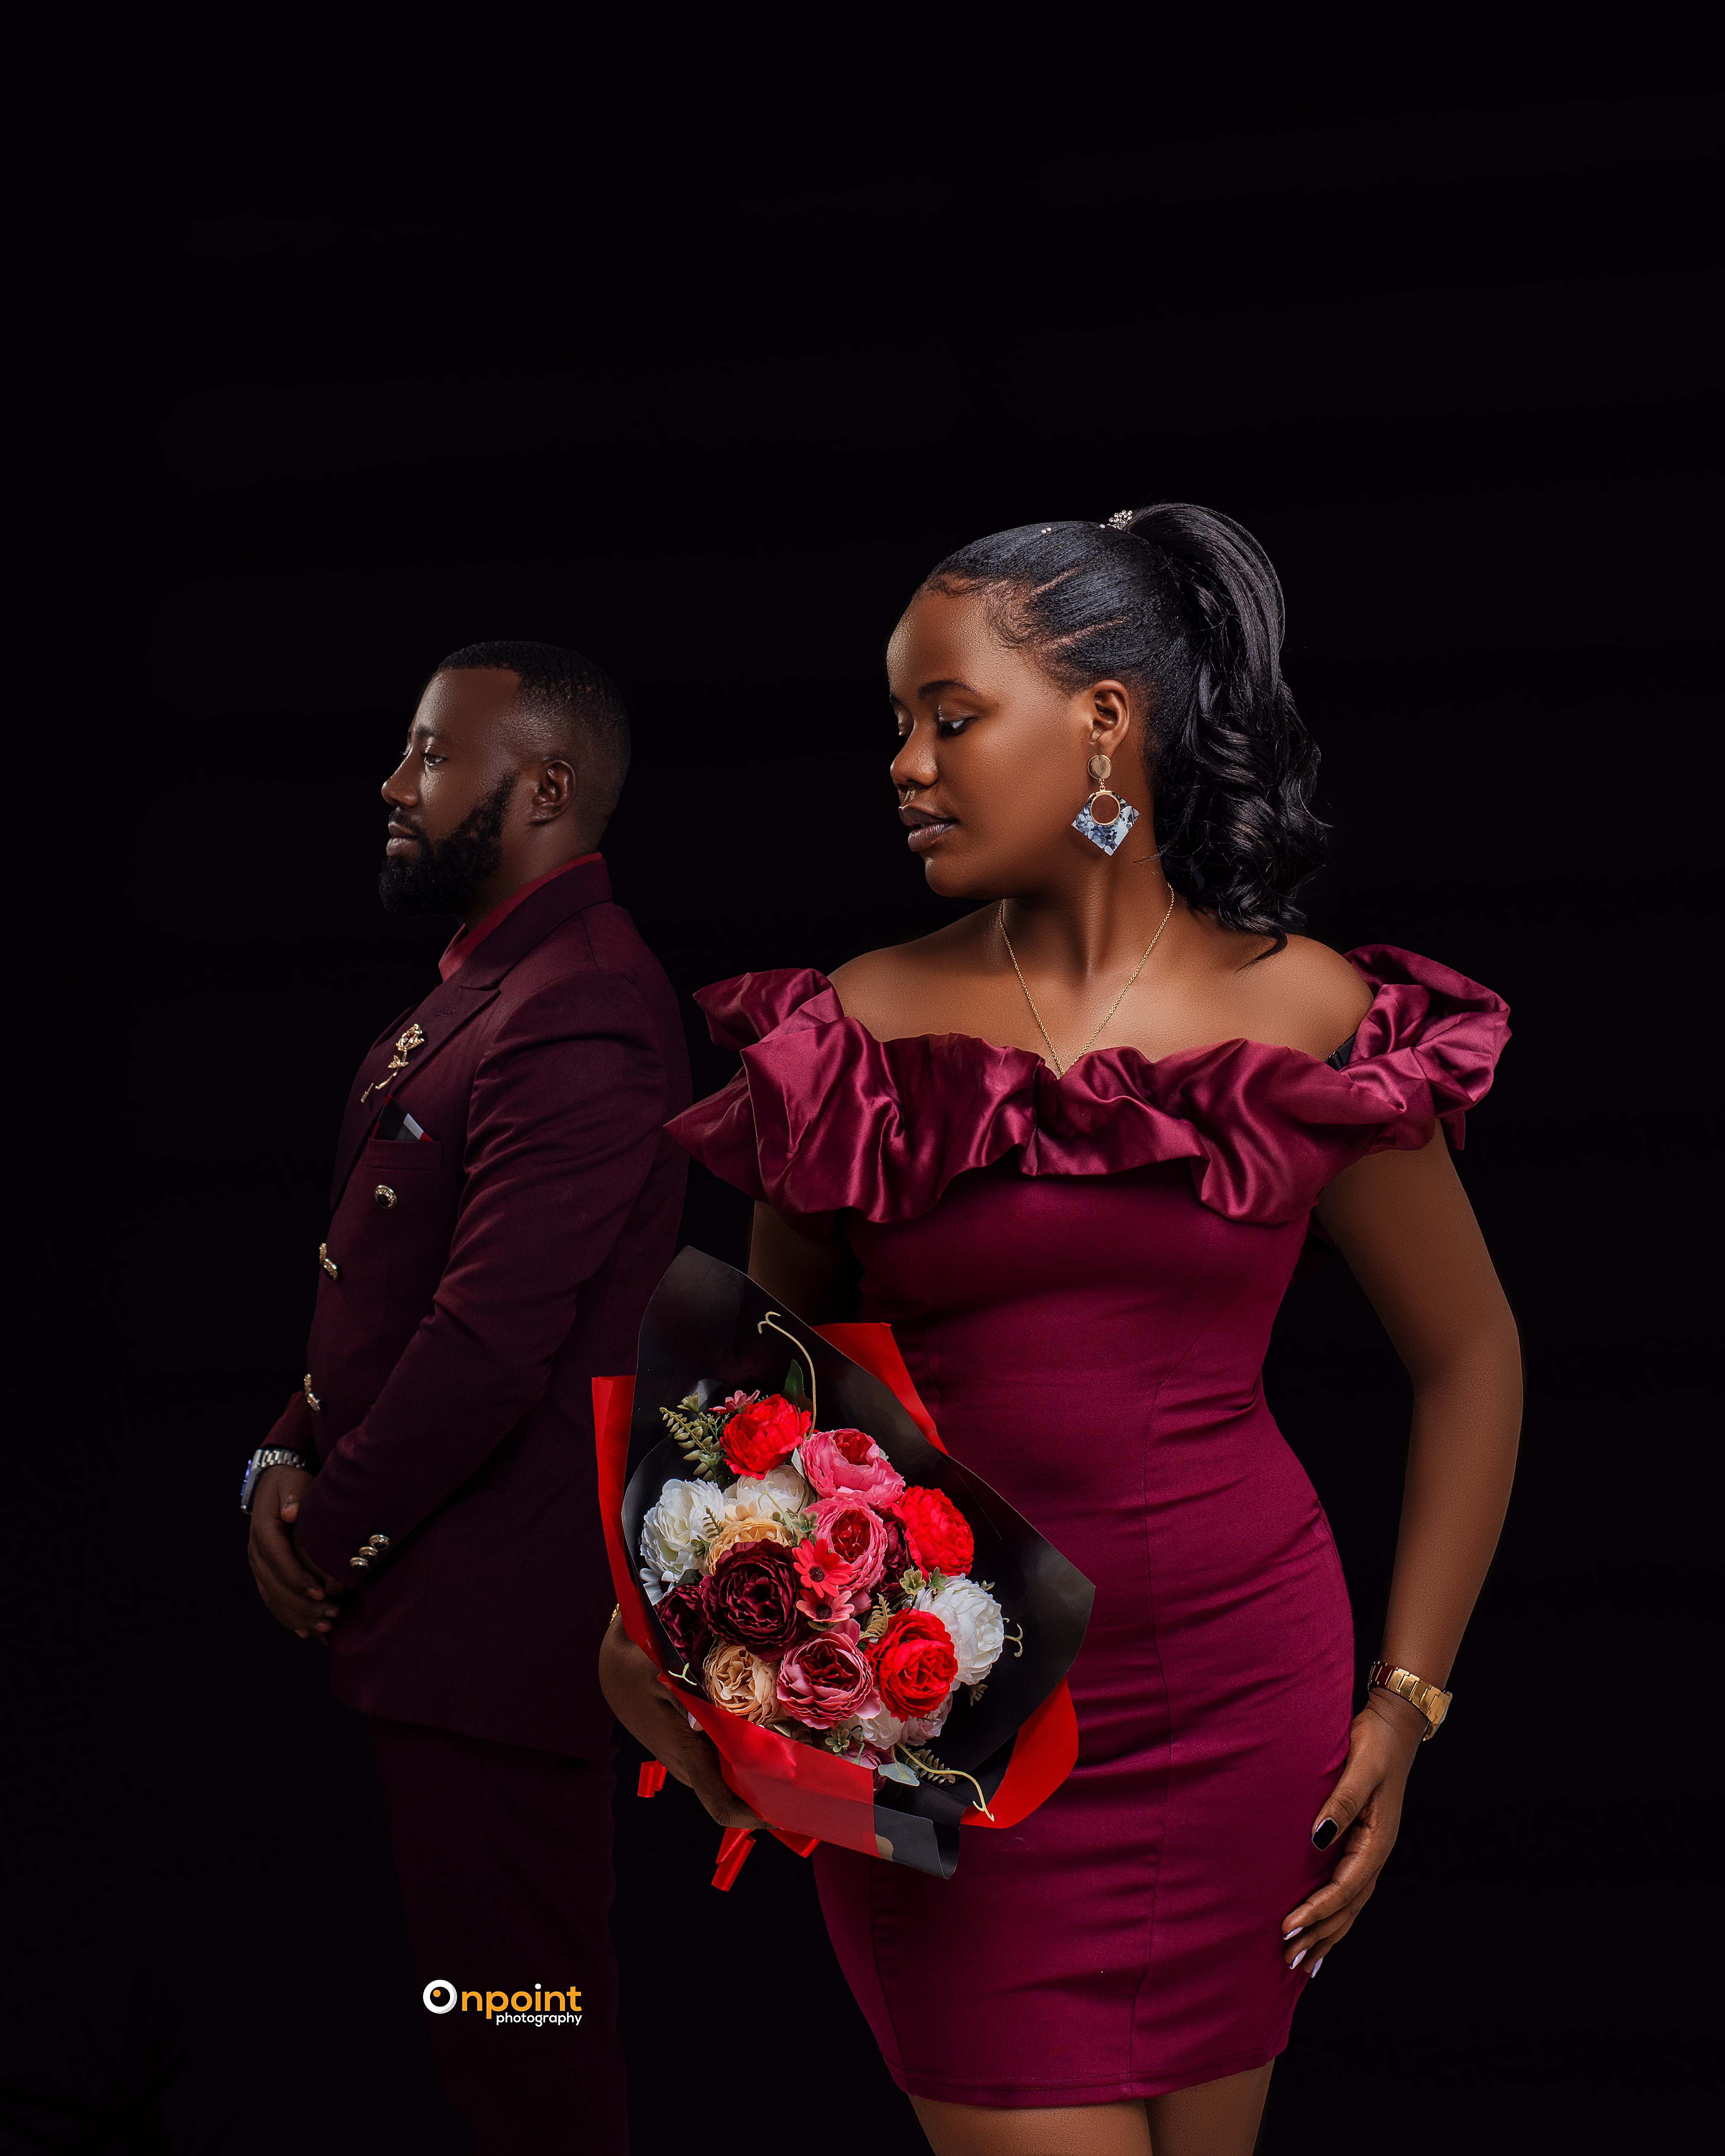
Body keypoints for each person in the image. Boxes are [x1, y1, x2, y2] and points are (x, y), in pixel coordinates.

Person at [600, 508, 1521, 2156]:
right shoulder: (854, 1028)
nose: (905, 764)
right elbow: (758, 1417)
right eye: (899, 722)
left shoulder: (1309, 1019)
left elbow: (1471, 1359)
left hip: (1250, 1707)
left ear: (1103, 722)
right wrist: (658, 1634)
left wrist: (1403, 1701)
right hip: (951, 1723)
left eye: (950, 717)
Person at [243, 640, 690, 2155]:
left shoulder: (582, 1005)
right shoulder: (496, 987)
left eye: (433, 755)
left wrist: (324, 1537)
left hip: (497, 1647)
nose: (394, 782)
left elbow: (490, 1340)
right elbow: (384, 1287)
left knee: (527, 2055)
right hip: (437, 1637)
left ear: (545, 787)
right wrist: (278, 1457)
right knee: (480, 2044)